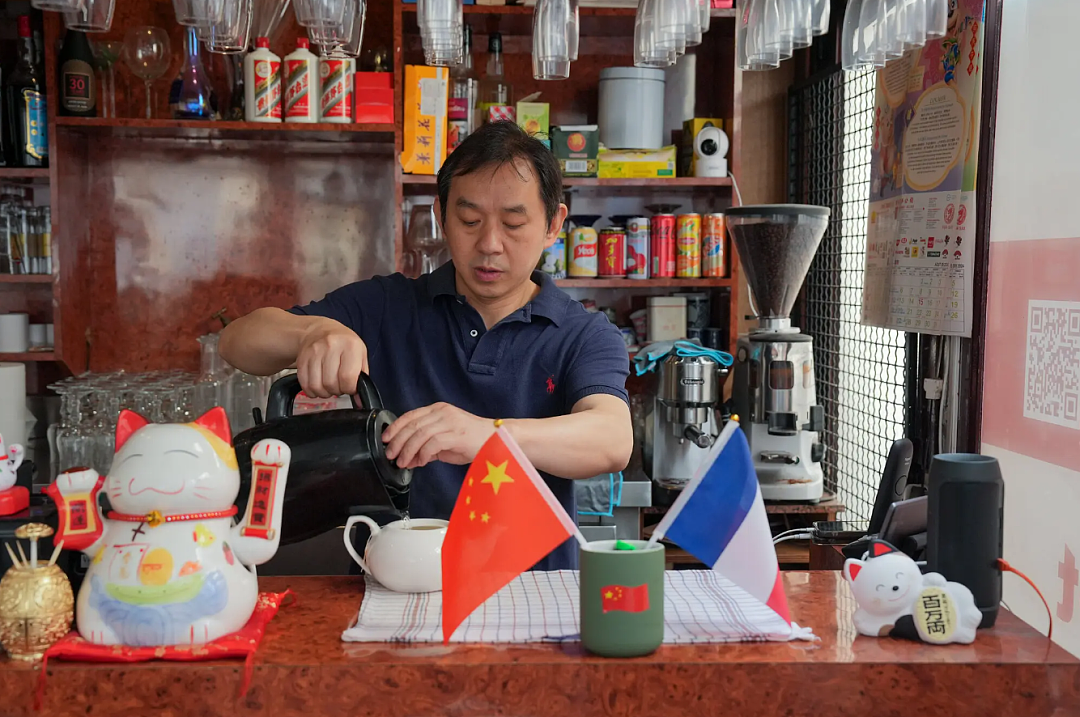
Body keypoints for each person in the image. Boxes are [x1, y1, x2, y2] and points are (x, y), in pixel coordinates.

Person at [219, 121, 633, 570]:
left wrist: (487, 435)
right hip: (395, 588)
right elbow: (238, 342)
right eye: (469, 221)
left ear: (554, 224)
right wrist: (310, 333)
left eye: (513, 223)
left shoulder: (583, 333)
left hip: (529, 596)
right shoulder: (387, 306)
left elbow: (611, 439)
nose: (489, 244)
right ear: (441, 214)